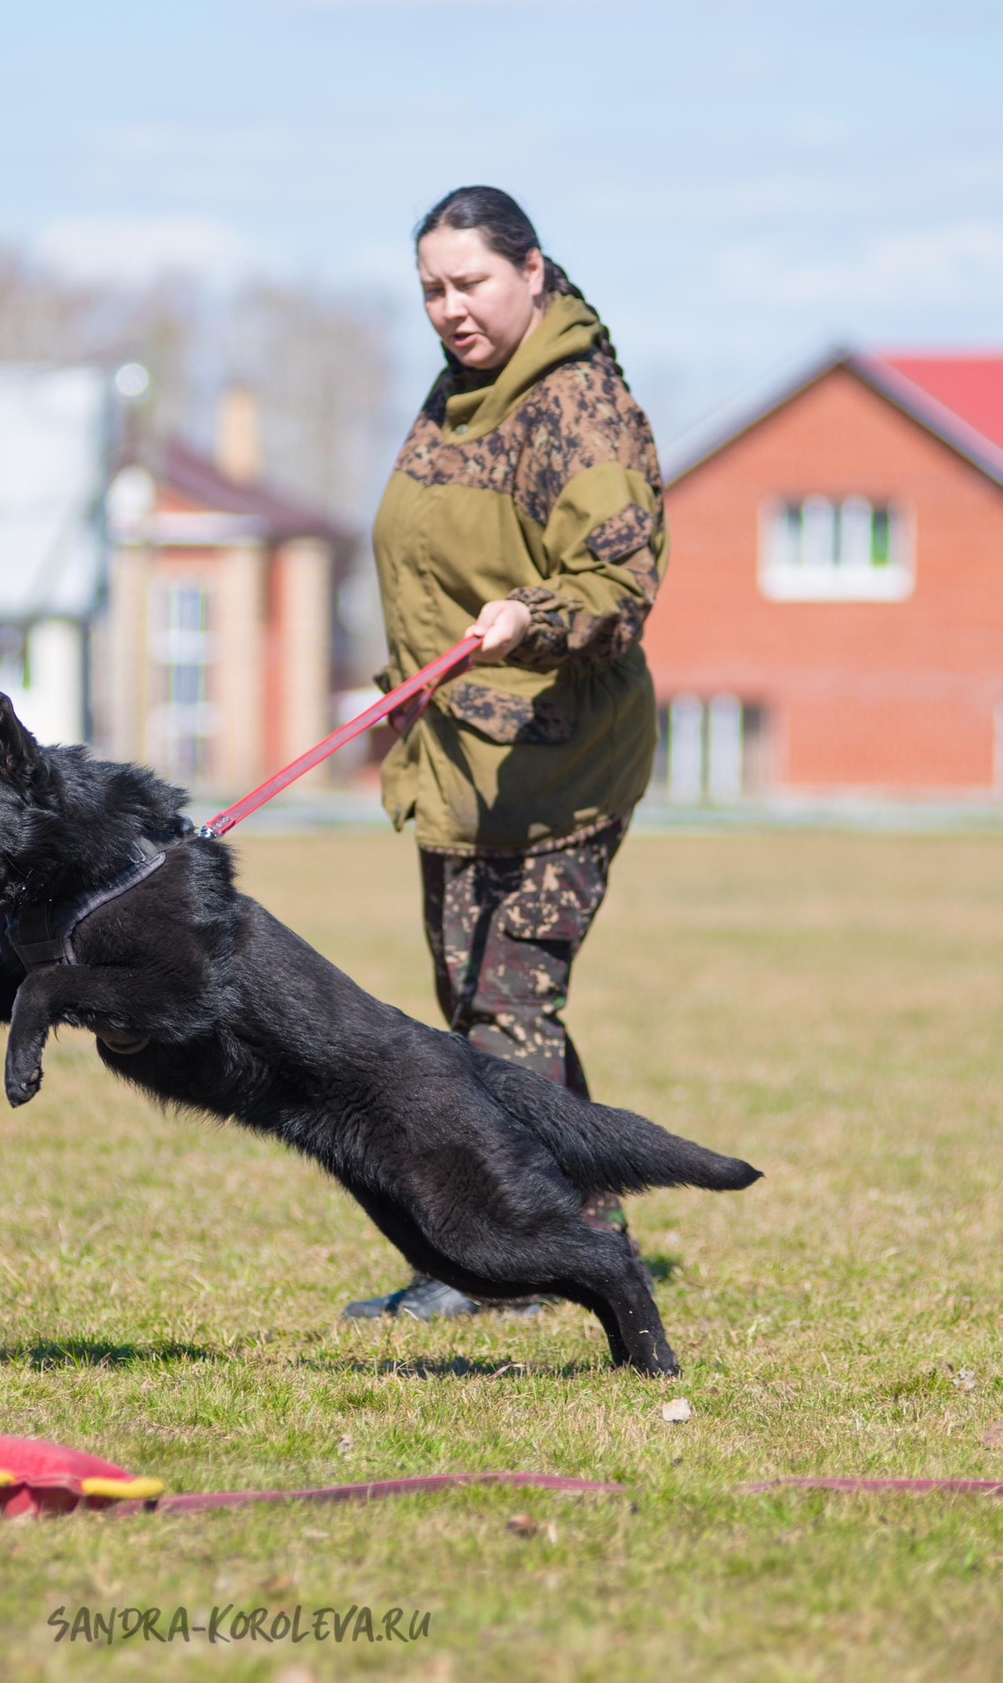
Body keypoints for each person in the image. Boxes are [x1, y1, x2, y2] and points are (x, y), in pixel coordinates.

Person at [344, 186, 668, 1321]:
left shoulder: (576, 407)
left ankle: (510, 1264)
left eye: (469, 282)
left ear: (533, 271)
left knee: (503, 1013)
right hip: (459, 761)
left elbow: (617, 592)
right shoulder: (459, 394)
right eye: (431, 289)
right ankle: (588, 1225)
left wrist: (532, 614)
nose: (448, 308)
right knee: (476, 1009)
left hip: (560, 764)